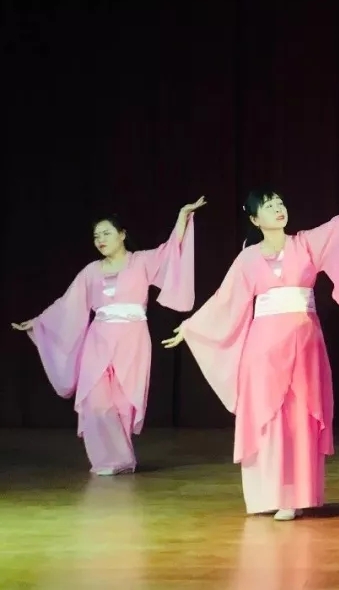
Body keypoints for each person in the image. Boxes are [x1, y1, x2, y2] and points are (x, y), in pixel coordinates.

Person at [162, 169, 339, 521]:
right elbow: (225, 300)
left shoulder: (306, 244)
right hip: (264, 349)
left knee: (299, 417)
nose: (278, 208)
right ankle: (266, 494)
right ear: (255, 219)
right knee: (267, 417)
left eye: (279, 203)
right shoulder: (248, 259)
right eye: (269, 206)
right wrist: (192, 327)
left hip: (305, 345)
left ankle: (295, 496)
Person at [12, 198, 203, 475]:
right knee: (96, 401)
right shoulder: (91, 271)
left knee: (122, 403)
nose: (100, 240)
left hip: (132, 339)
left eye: (106, 233)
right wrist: (39, 322)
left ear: (122, 234)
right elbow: (68, 304)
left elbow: (171, 250)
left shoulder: (140, 262)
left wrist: (182, 217)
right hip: (99, 340)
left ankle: (122, 460)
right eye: (96, 236)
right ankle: (108, 460)